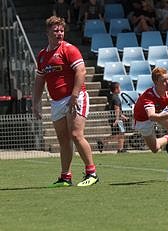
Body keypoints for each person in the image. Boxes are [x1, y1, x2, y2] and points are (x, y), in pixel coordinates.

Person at [32, 16, 99, 187]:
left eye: (61, 30)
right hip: (56, 102)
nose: (59, 33)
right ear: (48, 32)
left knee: (76, 135)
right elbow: (40, 80)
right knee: (63, 140)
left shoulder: (69, 49)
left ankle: (92, 173)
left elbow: (81, 72)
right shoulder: (42, 55)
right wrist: (35, 102)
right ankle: (65, 177)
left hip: (74, 98)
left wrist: (75, 96)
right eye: (56, 30)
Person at [97, 82, 128, 153]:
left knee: (118, 133)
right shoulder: (116, 97)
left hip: (114, 118)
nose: (120, 89)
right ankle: (120, 149)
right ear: (116, 89)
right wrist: (117, 119)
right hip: (116, 119)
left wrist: (122, 115)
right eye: (119, 87)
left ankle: (103, 142)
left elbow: (117, 109)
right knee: (121, 133)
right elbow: (116, 108)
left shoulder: (112, 96)